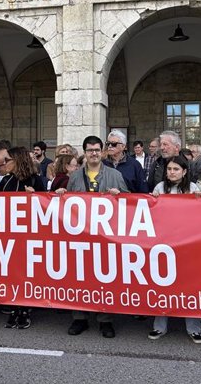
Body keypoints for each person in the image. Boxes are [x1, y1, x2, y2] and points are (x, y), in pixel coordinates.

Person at [149, 156, 201, 342]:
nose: (172, 172)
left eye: (176, 169)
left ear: (184, 172)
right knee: (163, 285)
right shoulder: (160, 188)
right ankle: (160, 326)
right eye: (169, 169)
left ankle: (194, 327)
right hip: (164, 242)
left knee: (190, 285)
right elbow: (150, 212)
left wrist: (200, 200)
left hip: (188, 243)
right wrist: (153, 200)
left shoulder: (192, 188)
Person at [63, 135, 129, 338]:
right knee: (78, 277)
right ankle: (79, 317)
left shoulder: (114, 174)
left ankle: (105, 319)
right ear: (84, 152)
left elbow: (130, 204)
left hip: (105, 237)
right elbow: (67, 205)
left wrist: (120, 196)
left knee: (104, 278)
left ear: (102, 152)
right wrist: (60, 195)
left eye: (96, 149)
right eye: (89, 150)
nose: (93, 153)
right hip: (81, 236)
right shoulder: (75, 177)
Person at [0, 146, 45, 329]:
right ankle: (14, 303)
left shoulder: (35, 180)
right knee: (12, 269)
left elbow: (46, 207)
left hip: (29, 234)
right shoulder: (6, 181)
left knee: (27, 270)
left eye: (8, 159)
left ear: (18, 160)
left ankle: (25, 307)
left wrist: (35, 197)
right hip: (9, 232)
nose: (4, 163)